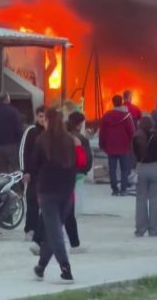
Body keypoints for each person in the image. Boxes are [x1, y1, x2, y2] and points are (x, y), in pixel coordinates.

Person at [27, 108, 86, 284]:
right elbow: (82, 163)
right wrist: (78, 147)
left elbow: (34, 164)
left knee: (54, 232)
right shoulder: (71, 140)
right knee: (53, 231)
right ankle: (41, 267)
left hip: (47, 191)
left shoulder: (41, 140)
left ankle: (65, 269)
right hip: (67, 191)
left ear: (48, 121)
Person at [133, 116, 157, 237]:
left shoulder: (137, 137)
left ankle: (140, 229)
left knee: (141, 199)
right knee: (155, 200)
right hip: (156, 168)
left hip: (142, 168)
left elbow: (134, 154)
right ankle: (153, 229)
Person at [99, 95, 136, 196]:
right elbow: (132, 131)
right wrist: (132, 143)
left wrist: (102, 144)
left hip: (111, 146)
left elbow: (102, 132)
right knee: (124, 169)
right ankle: (123, 189)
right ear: (122, 102)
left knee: (112, 169)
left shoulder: (106, 115)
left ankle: (114, 189)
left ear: (113, 103)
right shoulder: (127, 116)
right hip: (124, 146)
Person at [21, 106, 47, 241]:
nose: (43, 119)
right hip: (33, 174)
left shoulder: (52, 132)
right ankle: (30, 229)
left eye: (45, 117)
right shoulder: (31, 131)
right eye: (41, 116)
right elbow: (24, 152)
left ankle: (42, 232)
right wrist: (25, 171)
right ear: (37, 117)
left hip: (48, 174)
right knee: (32, 202)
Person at [0, 93, 23, 173]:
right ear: (7, 99)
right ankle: (15, 181)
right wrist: (20, 141)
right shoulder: (13, 111)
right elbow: (18, 127)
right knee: (15, 169)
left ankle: (3, 180)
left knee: (3, 169)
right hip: (12, 145)